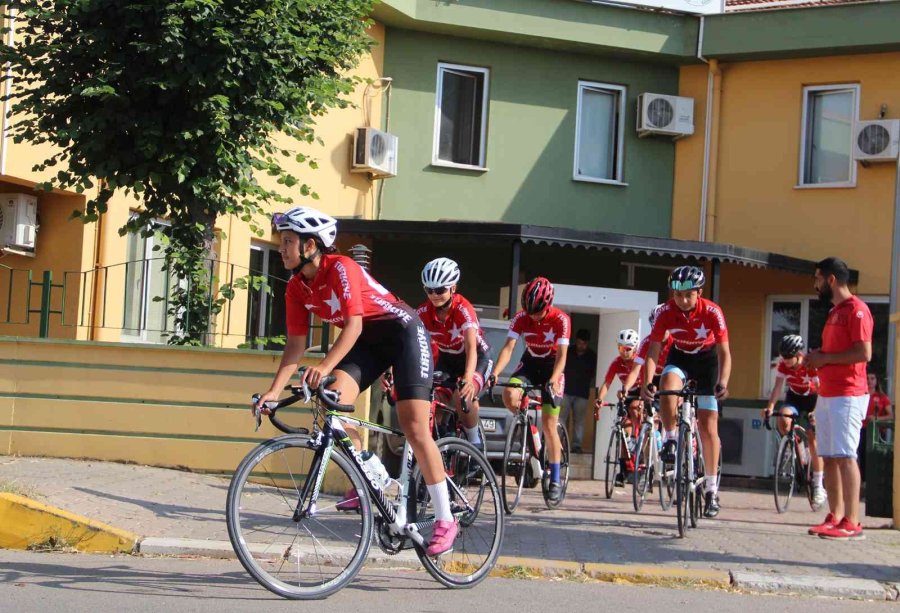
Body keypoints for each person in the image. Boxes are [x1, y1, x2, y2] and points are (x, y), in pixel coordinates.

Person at [254, 206, 457, 556]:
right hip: (367, 345)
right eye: (281, 241)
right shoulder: (295, 289)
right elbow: (295, 345)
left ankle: (445, 517)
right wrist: (272, 391)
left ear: (311, 245)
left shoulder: (342, 268)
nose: (282, 248)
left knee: (413, 426)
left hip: (402, 333)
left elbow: (354, 325)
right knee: (331, 400)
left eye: (288, 241)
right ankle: (375, 477)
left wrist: (325, 365)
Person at [641, 265, 731, 518]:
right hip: (680, 356)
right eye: (677, 295)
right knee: (667, 389)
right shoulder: (666, 313)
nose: (682, 301)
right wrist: (649, 382)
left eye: (688, 295)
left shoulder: (713, 311)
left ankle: (712, 490)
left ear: (699, 293)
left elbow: (725, 352)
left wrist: (722, 381)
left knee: (708, 426)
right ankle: (671, 438)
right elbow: (653, 351)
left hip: (707, 361)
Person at [805, 256, 872, 541]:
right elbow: (832, 354)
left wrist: (825, 358)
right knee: (829, 457)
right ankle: (835, 515)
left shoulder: (857, 311)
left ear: (831, 279)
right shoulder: (835, 312)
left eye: (818, 279)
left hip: (848, 395)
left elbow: (863, 353)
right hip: (828, 394)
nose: (816, 284)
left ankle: (853, 521)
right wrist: (815, 360)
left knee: (846, 457)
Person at [490, 276, 570, 502]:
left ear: (548, 306)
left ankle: (554, 477)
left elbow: (563, 356)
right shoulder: (520, 318)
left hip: (553, 366)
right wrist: (495, 372)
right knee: (510, 394)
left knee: (549, 425)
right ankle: (527, 425)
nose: (532, 318)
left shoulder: (561, 319)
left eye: (537, 313)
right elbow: (509, 347)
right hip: (531, 363)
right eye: (529, 313)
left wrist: (554, 380)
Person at [417, 257, 493, 450]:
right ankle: (441, 440)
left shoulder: (463, 309)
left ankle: (475, 443)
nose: (434, 295)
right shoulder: (423, 312)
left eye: (440, 290)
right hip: (447, 359)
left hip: (476, 358)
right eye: (429, 290)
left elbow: (471, 348)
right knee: (433, 399)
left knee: (463, 395)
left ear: (452, 288)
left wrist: (467, 378)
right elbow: (414, 346)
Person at [761, 334, 826, 508]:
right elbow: (777, 388)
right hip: (795, 397)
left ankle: (818, 484)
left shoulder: (809, 365)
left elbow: (821, 390)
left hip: (813, 397)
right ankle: (792, 444)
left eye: (789, 357)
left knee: (813, 437)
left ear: (799, 354)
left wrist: (815, 411)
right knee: (783, 418)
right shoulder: (783, 365)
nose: (786, 361)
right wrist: (770, 407)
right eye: (784, 357)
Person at [595, 329, 642, 484]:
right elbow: (607, 382)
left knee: (635, 408)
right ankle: (623, 471)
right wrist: (600, 399)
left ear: (635, 348)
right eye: (621, 348)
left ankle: (639, 443)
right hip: (626, 394)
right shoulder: (617, 363)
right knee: (623, 432)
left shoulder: (639, 361)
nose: (624, 352)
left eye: (628, 349)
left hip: (641, 394)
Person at [561, 329, 596, 454]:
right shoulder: (568, 351)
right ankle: (559, 443)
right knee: (561, 419)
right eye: (580, 343)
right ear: (576, 341)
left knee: (579, 421)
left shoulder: (591, 356)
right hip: (565, 390)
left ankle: (576, 445)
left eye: (585, 344)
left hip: (582, 393)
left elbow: (592, 374)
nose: (582, 346)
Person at [858, 371, 893, 480]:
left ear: (877, 381)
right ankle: (862, 481)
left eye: (872, 378)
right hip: (860, 429)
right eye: (867, 378)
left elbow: (891, 416)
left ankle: (873, 480)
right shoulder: (860, 395)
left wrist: (876, 418)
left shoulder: (883, 397)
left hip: (876, 431)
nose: (869, 381)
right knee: (860, 456)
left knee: (873, 458)